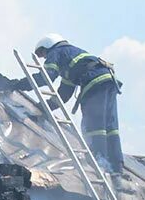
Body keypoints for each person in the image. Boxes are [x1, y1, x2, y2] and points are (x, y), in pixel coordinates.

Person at [17, 34, 124, 176]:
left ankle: (100, 163)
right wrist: (44, 107)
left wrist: (18, 84)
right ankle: (116, 167)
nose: (44, 58)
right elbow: (64, 95)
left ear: (48, 45)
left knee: (93, 125)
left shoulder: (57, 51)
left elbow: (47, 76)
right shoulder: (72, 60)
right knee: (110, 127)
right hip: (108, 81)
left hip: (94, 82)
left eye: (43, 53)